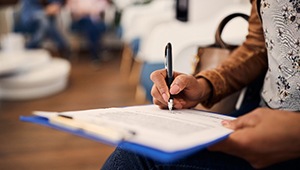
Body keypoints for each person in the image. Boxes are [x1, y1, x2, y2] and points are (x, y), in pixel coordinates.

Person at [102, 0, 300, 169]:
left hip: (283, 137)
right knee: (138, 149)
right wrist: (204, 85)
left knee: (138, 160)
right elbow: (258, 45)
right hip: (261, 114)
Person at [66, 0, 113, 64]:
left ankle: (95, 55)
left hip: (95, 23)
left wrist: (86, 11)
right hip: (79, 22)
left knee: (93, 27)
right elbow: (74, 10)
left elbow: (102, 7)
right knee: (92, 26)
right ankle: (97, 52)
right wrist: (88, 11)